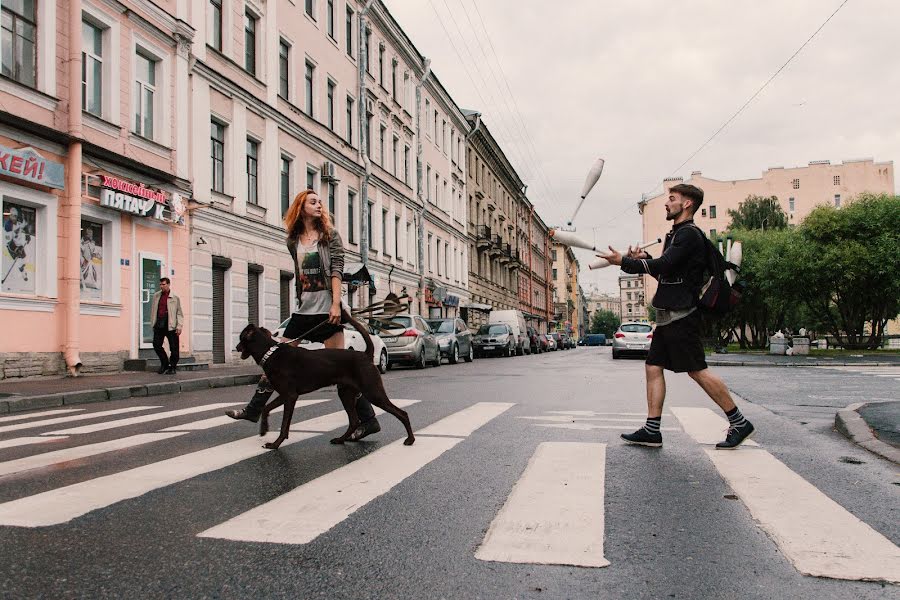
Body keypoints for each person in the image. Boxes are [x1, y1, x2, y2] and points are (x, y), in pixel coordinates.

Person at [604, 183, 755, 449]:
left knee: (697, 371)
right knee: (653, 367)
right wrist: (645, 259)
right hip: (668, 316)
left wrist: (624, 262)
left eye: (671, 199)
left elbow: (664, 266)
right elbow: (666, 274)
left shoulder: (689, 235)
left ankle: (739, 421)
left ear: (686, 204)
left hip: (682, 316)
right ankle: (652, 430)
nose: (666, 203)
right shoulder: (676, 235)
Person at [225, 190, 381, 441]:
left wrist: (336, 305)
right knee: (273, 360)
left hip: (327, 311)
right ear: (301, 206)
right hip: (303, 312)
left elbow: (337, 269)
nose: (319, 204)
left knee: (344, 373)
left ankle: (369, 421)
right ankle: (254, 410)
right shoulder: (293, 240)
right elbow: (300, 275)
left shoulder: (330, 235)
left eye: (320, 201)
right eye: (313, 201)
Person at [150, 277, 184, 375]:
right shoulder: (156, 296)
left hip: (171, 325)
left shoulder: (175, 297)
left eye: (163, 284)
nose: (161, 286)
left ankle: (172, 367)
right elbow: (153, 310)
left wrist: (179, 326)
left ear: (168, 284)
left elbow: (179, 313)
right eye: (160, 284)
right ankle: (164, 364)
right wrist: (153, 323)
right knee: (156, 344)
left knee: (174, 348)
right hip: (159, 324)